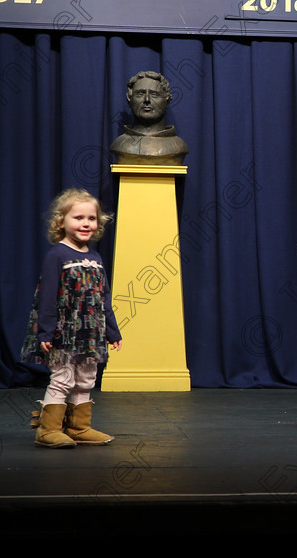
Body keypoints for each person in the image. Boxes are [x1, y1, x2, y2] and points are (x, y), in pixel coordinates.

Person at [21, 188, 123, 447]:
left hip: (90, 334)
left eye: (91, 218)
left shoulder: (96, 258)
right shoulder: (57, 255)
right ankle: (48, 429)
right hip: (64, 334)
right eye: (78, 218)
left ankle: (79, 427)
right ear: (61, 222)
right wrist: (46, 332)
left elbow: (104, 298)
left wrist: (112, 331)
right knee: (63, 378)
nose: (85, 223)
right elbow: (46, 298)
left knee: (86, 378)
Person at [109, 70, 189, 165]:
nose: (147, 100)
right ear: (129, 99)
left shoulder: (178, 147)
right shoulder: (120, 145)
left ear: (167, 101)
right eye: (140, 94)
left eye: (154, 95)